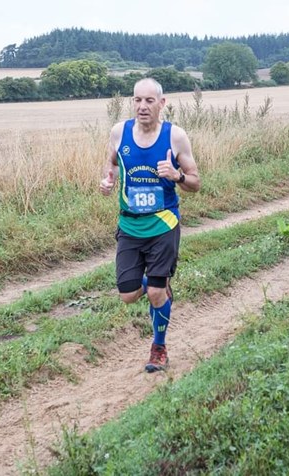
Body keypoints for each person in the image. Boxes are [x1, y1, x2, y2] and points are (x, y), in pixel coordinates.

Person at [99, 78, 200, 372]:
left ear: (162, 103)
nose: (142, 107)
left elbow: (196, 182)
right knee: (128, 295)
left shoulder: (175, 137)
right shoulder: (119, 132)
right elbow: (112, 165)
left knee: (155, 294)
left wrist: (177, 176)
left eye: (149, 101)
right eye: (137, 100)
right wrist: (107, 181)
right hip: (129, 226)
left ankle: (159, 347)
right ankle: (158, 286)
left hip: (163, 224)